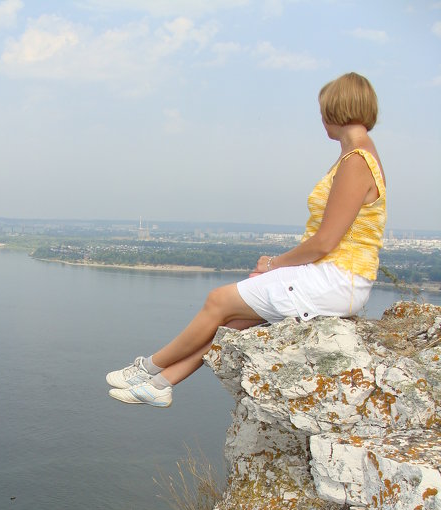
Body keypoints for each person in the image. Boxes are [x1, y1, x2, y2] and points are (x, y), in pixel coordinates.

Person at [107, 72, 387, 408]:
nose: (321, 118)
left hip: (336, 278)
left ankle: (147, 367)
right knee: (234, 321)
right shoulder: (357, 156)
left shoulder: (356, 161)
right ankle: (162, 384)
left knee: (217, 301)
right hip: (336, 278)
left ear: (335, 109)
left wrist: (273, 264)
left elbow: (325, 241)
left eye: (322, 109)